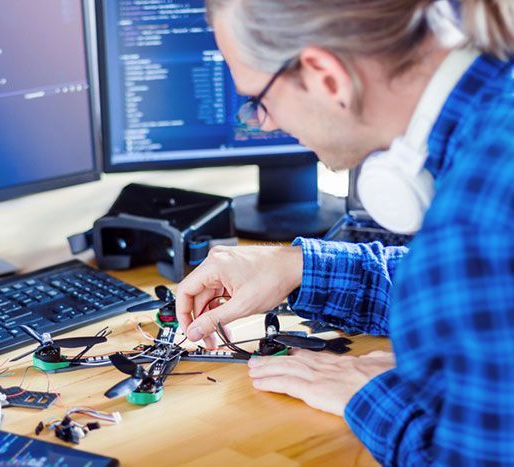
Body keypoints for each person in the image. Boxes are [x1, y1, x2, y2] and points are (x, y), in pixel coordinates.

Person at [174, 0, 514, 465]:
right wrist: (299, 267)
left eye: (259, 100)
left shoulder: (476, 211)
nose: (265, 122)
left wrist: (374, 396)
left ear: (325, 76)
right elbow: (490, 290)